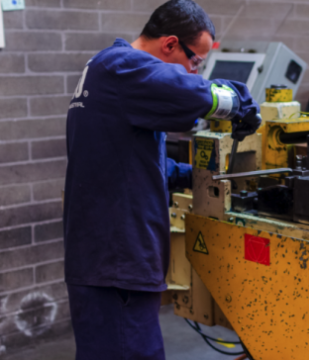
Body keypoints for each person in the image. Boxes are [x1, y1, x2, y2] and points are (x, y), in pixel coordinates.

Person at [62, 1, 260, 359]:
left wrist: (203, 176)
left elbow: (131, 163)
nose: (194, 71)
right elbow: (194, 93)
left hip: (106, 260)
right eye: (195, 62)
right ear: (169, 44)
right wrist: (239, 102)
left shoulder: (109, 72)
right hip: (118, 262)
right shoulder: (123, 66)